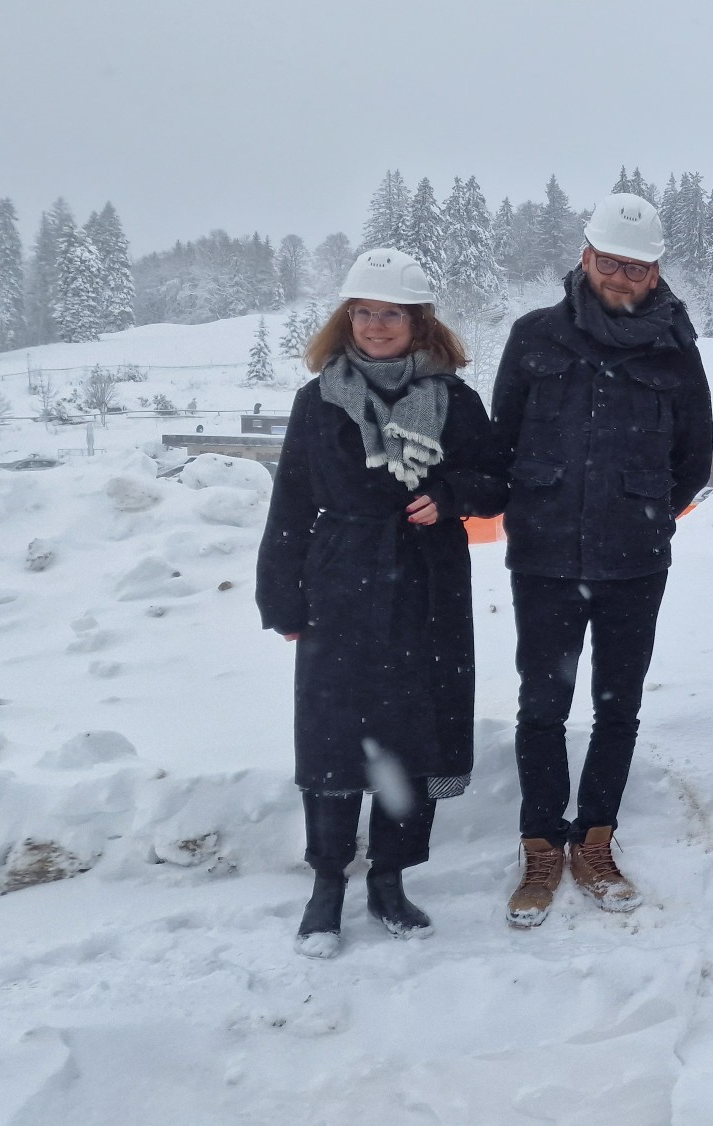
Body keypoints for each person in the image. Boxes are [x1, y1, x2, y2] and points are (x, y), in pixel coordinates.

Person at [257, 248, 508, 958]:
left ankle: (390, 880)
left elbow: (495, 483)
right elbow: (290, 504)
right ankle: (328, 885)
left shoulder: (455, 401)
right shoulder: (318, 399)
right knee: (334, 736)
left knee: (413, 736)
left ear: (418, 321)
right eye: (363, 312)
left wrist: (452, 496)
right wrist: (283, 595)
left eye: (389, 314)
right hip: (339, 580)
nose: (374, 325)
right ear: (346, 318)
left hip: (427, 582)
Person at [490, 194, 713, 927]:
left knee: (619, 708)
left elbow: (692, 461)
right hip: (546, 558)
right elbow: (503, 439)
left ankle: (595, 838)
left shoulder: (676, 352)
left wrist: (638, 508)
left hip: (634, 561)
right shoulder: (533, 338)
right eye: (611, 263)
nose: (622, 278)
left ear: (656, 273)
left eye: (637, 268)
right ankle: (541, 844)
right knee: (543, 707)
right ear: (586, 258)